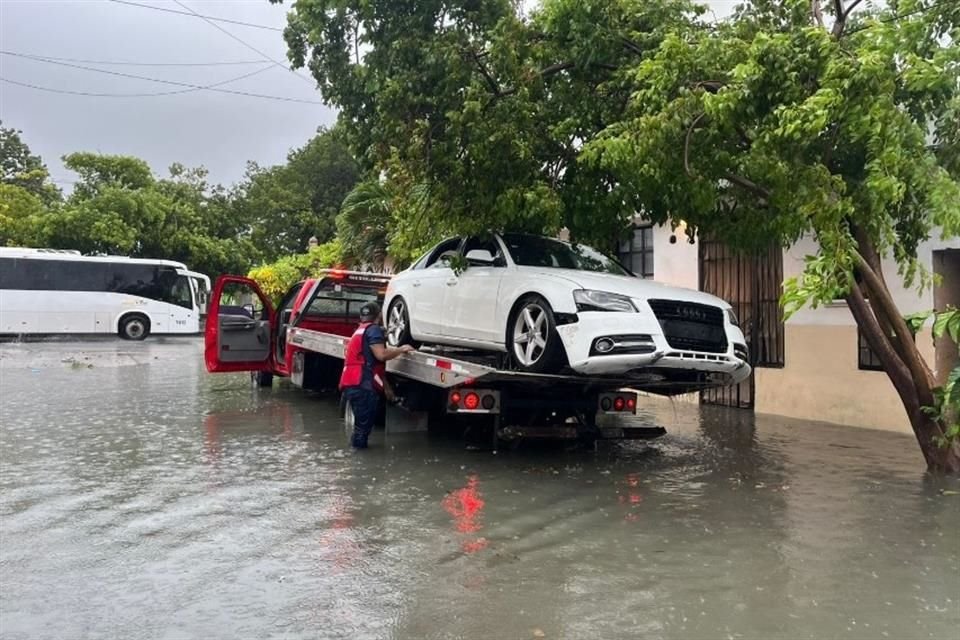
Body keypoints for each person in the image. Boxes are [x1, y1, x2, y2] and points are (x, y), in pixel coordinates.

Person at [339, 301, 414, 448]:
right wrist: (401, 349)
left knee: (360, 427)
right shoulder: (373, 330)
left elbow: (372, 364)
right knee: (362, 429)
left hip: (352, 383)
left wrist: (386, 388)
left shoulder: (360, 330)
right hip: (362, 385)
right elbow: (381, 355)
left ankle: (357, 453)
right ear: (379, 316)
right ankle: (359, 457)